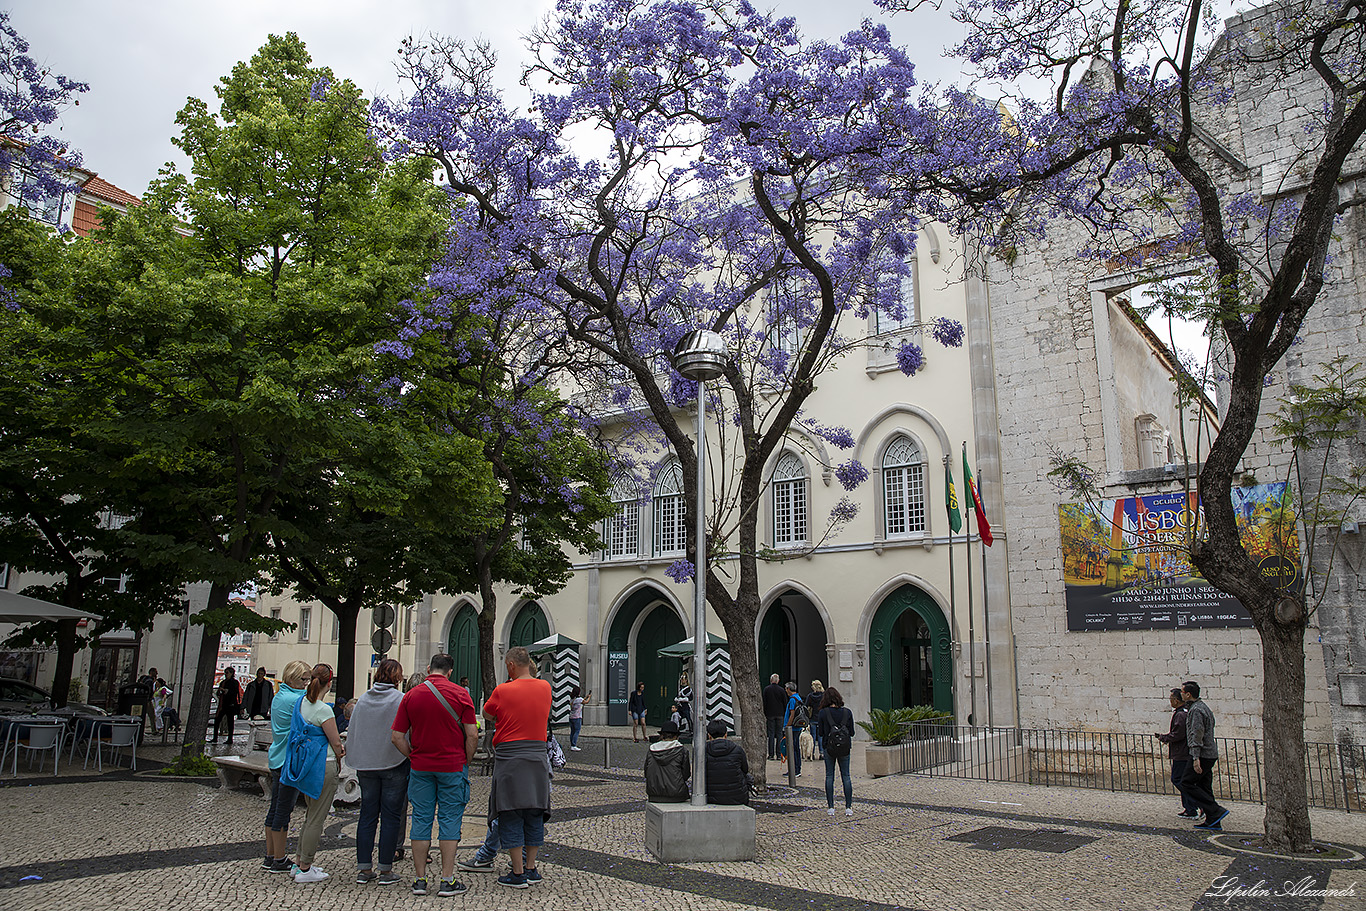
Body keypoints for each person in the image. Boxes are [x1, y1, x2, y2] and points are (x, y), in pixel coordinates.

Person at [390, 653, 479, 897]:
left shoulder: (411, 695)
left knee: (421, 819)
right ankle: (447, 880)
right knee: (450, 820)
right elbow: (472, 735)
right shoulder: (462, 694)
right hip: (452, 766)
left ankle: (420, 880)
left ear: (429, 669)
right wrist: (466, 760)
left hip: (421, 767)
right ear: (450, 671)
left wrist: (412, 755)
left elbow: (396, 736)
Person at [483, 646, 553, 889]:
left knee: (511, 812)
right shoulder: (545, 687)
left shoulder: (503, 690)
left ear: (511, 665)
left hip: (511, 758)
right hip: (537, 757)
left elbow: (487, 713)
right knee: (534, 811)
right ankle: (532, 867)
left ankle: (517, 872)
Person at [274, 663, 345, 883]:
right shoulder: (324, 710)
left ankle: (298, 862)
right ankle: (306, 867)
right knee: (317, 818)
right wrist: (342, 751)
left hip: (305, 765)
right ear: (329, 683)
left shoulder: (301, 703)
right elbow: (335, 742)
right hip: (323, 765)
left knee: (309, 816)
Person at [349, 658, 409, 886]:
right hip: (393, 763)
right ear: (397, 677)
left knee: (367, 815)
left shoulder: (363, 700)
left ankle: (364, 868)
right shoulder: (400, 700)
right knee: (391, 817)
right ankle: (385, 869)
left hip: (366, 765)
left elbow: (355, 731)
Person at [262, 661, 310, 874]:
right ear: (293, 678)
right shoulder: (296, 700)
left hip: (276, 757)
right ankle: (279, 858)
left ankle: (270, 855)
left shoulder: (279, 696)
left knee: (274, 808)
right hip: (288, 761)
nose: (306, 684)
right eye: (303, 679)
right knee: (284, 810)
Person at [1180, 681, 1229, 830]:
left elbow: (1197, 734)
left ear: (1188, 694)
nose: (1181, 694)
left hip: (1202, 754)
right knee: (1204, 786)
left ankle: (1215, 810)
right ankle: (1214, 820)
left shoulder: (1196, 710)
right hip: (1209, 753)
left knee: (1186, 783)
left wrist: (1195, 757)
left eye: (1182, 692)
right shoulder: (1203, 708)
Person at [1154, 687, 1199, 819]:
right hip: (1184, 752)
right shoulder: (1185, 712)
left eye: (1171, 699)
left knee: (1178, 779)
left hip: (1182, 753)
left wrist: (1164, 738)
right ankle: (1191, 807)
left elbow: (1178, 734)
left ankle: (1193, 806)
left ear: (1177, 700)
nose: (1170, 702)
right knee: (1183, 780)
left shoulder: (1180, 714)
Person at [815, 686, 855, 815]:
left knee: (829, 776)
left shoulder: (823, 713)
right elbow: (852, 732)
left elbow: (820, 732)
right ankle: (848, 807)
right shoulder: (847, 712)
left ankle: (831, 807)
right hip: (844, 748)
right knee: (846, 776)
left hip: (829, 747)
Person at [703, 719, 750, 805]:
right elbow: (745, 770)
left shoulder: (703, 752)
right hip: (737, 797)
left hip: (711, 797)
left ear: (709, 736)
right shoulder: (737, 750)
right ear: (726, 734)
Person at [644, 720, 690, 802]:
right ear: (676, 736)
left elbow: (646, 772)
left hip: (654, 794)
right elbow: (686, 774)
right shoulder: (682, 751)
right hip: (677, 794)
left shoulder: (651, 750)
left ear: (662, 736)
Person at [783, 681, 808, 776]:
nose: (785, 691)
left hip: (792, 729)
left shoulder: (792, 700)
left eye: (786, 689)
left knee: (792, 749)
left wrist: (787, 726)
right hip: (797, 728)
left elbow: (792, 714)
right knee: (796, 748)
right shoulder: (798, 697)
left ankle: (795, 770)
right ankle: (797, 768)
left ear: (789, 689)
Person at [212, 667, 242, 743]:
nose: (226, 674)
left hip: (230, 705)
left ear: (232, 674)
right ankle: (215, 737)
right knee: (217, 721)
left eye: (227, 673)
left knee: (230, 722)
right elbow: (218, 693)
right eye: (225, 672)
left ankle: (230, 739)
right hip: (223, 704)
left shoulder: (234, 682)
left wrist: (225, 691)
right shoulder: (223, 682)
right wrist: (220, 691)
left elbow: (234, 693)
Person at [762, 674, 787, 760]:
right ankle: (779, 754)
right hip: (780, 714)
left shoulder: (766, 689)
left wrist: (765, 712)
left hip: (770, 714)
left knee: (771, 734)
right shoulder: (781, 690)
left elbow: (764, 702)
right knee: (779, 733)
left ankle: (771, 754)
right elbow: (785, 702)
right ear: (778, 681)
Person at [805, 681, 826, 759]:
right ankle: (822, 753)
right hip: (821, 718)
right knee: (820, 736)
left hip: (813, 718)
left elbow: (806, 706)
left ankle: (811, 753)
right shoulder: (823, 696)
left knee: (812, 737)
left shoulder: (810, 696)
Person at [568, 686, 589, 751]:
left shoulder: (572, 699)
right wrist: (589, 697)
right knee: (577, 731)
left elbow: (582, 700)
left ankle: (572, 744)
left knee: (572, 731)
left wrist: (586, 697)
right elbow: (586, 702)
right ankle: (573, 745)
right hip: (577, 717)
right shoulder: (579, 699)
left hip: (571, 717)